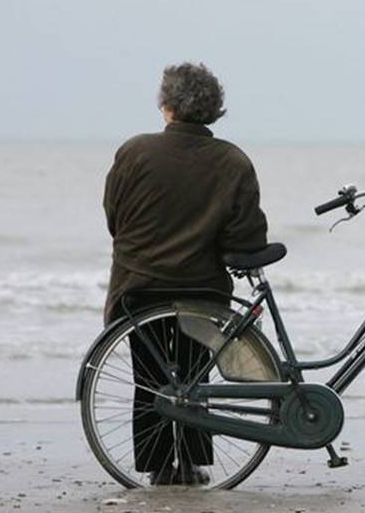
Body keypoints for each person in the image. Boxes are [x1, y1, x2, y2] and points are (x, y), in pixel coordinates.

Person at [103, 62, 269, 485]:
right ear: (213, 110)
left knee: (150, 375)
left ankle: (159, 466)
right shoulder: (232, 160)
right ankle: (193, 462)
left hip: (140, 287)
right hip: (203, 287)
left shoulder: (135, 152)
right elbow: (246, 234)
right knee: (196, 374)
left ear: (167, 106)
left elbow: (114, 217)